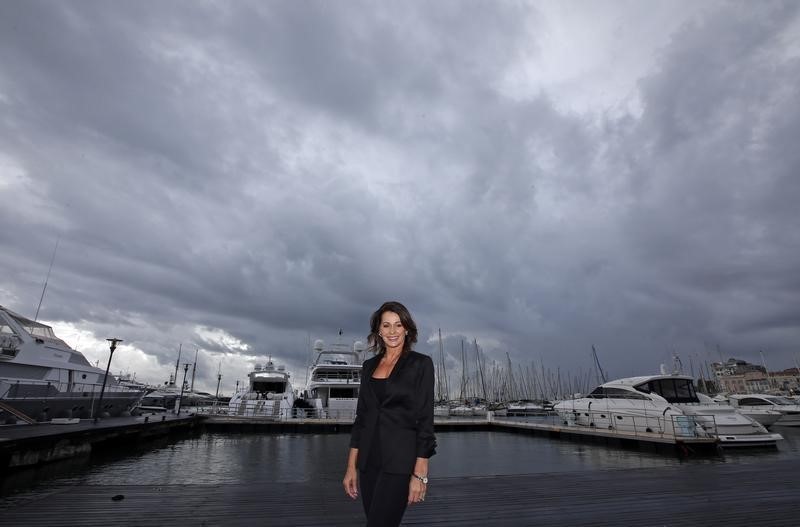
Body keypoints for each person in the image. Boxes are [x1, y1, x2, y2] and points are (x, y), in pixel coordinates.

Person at [343, 301, 437, 527]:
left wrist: (420, 475)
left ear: (407, 329)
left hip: (400, 463)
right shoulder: (368, 366)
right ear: (378, 330)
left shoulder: (421, 364)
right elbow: (362, 419)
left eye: (398, 325)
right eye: (386, 325)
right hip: (368, 463)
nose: (392, 331)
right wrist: (350, 468)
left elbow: (425, 420)